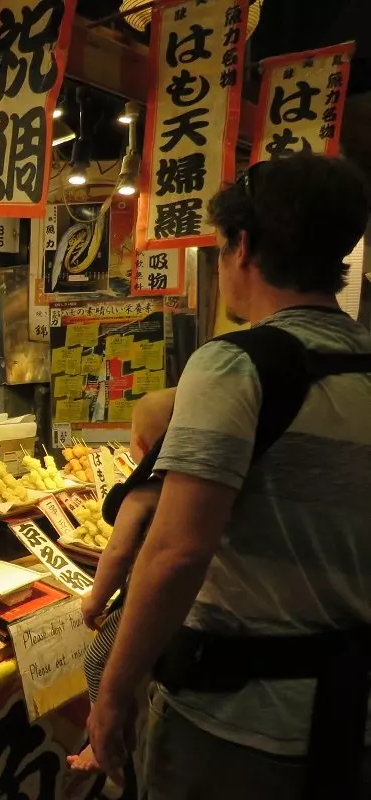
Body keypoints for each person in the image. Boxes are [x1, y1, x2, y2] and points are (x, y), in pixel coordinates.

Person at [88, 153, 371, 798]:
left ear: (242, 247)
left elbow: (178, 552)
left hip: (238, 729)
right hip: (354, 717)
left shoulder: (234, 365)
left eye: (218, 251)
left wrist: (113, 691)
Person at [67, 389, 174, 776]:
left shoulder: (141, 494)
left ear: (141, 445)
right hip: (184, 605)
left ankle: (102, 741)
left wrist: (95, 601)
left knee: (98, 662)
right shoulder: (191, 489)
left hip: (143, 601)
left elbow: (117, 554)